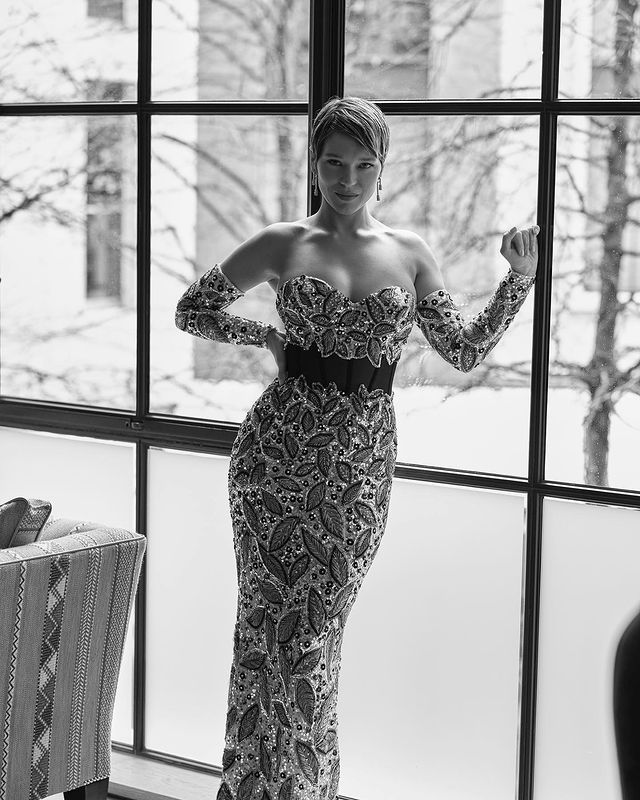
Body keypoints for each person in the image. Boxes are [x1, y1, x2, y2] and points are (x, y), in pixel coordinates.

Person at [175, 95, 539, 800]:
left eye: (364, 165)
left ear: (382, 168)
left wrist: (517, 280)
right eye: (334, 163)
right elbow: (193, 308)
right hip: (274, 458)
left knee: (316, 633)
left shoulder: (410, 253)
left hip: (360, 465)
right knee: (264, 628)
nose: (348, 179)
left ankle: (304, 788)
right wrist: (264, 336)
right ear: (314, 165)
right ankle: (252, 788)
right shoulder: (283, 243)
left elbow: (464, 351)